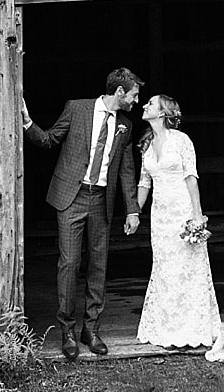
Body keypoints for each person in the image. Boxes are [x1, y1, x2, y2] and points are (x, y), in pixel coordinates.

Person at [126, 94, 224, 365]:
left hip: (182, 211)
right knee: (165, 268)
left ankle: (192, 329)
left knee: (187, 268)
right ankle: (166, 328)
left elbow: (191, 178)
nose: (145, 106)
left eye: (151, 104)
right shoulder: (146, 143)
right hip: (160, 216)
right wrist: (135, 212)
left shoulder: (181, 141)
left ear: (163, 112)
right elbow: (144, 182)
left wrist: (197, 214)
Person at [22, 68, 144, 360]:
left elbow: (127, 172)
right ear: (120, 93)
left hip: (102, 201)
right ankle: (67, 331)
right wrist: (27, 123)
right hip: (71, 198)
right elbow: (50, 140)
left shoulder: (125, 125)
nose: (136, 101)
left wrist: (133, 210)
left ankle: (91, 331)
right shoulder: (76, 108)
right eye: (134, 95)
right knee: (70, 263)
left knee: (98, 266)